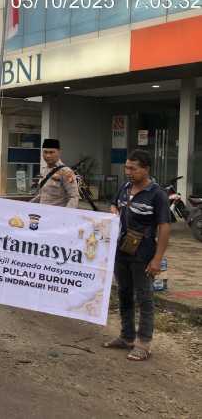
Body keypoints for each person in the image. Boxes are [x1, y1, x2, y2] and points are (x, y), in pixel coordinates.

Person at [103, 150, 170, 361]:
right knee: (124, 293)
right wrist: (114, 210)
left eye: (134, 168)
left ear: (146, 169)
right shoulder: (124, 188)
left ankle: (143, 343)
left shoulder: (157, 194)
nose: (128, 172)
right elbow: (114, 204)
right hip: (120, 251)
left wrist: (157, 259)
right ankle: (126, 336)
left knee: (144, 297)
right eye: (127, 167)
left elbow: (164, 228)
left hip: (143, 254)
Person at [30, 138, 79, 208]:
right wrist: (28, 204)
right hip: (43, 213)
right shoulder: (44, 170)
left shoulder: (66, 172)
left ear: (59, 152)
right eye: (45, 152)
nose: (48, 156)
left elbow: (74, 197)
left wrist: (66, 214)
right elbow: (43, 195)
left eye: (51, 152)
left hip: (57, 216)